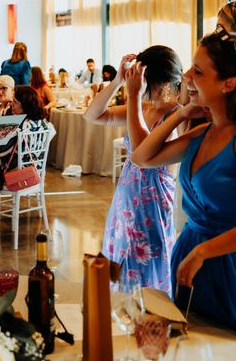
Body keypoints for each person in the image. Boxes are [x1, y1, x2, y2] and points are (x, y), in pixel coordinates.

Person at [132, 32, 236, 329]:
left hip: (226, 262)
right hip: (188, 254)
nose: (187, 76)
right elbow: (142, 157)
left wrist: (203, 251)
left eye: (198, 71)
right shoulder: (200, 134)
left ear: (229, 83)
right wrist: (180, 115)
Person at [84, 46, 183, 295]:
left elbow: (140, 153)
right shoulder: (144, 109)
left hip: (153, 201)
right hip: (125, 201)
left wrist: (135, 97)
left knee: (148, 262)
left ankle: (150, 316)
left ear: (157, 80)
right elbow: (93, 115)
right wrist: (117, 81)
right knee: (122, 257)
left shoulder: (177, 114)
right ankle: (124, 313)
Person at [0, 86, 55, 194]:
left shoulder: (20, 127)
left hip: (16, 176)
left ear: (25, 104)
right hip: (36, 172)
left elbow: (2, 153)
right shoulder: (44, 124)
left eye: (15, 102)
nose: (11, 104)